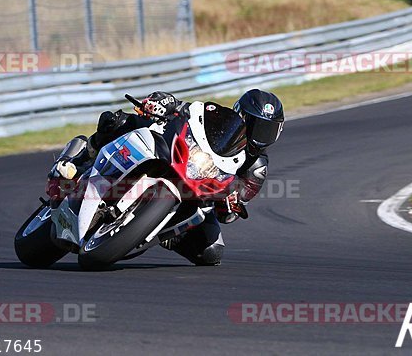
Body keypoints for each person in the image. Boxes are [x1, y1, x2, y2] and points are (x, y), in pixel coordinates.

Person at [45, 89, 284, 266]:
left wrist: (230, 203)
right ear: (240, 115)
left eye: (266, 130)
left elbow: (234, 209)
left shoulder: (257, 168)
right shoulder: (217, 117)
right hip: (176, 156)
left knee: (212, 251)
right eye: (254, 125)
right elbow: (187, 110)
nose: (258, 135)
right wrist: (164, 103)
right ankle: (80, 160)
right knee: (115, 120)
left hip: (199, 195)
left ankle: (159, 231)